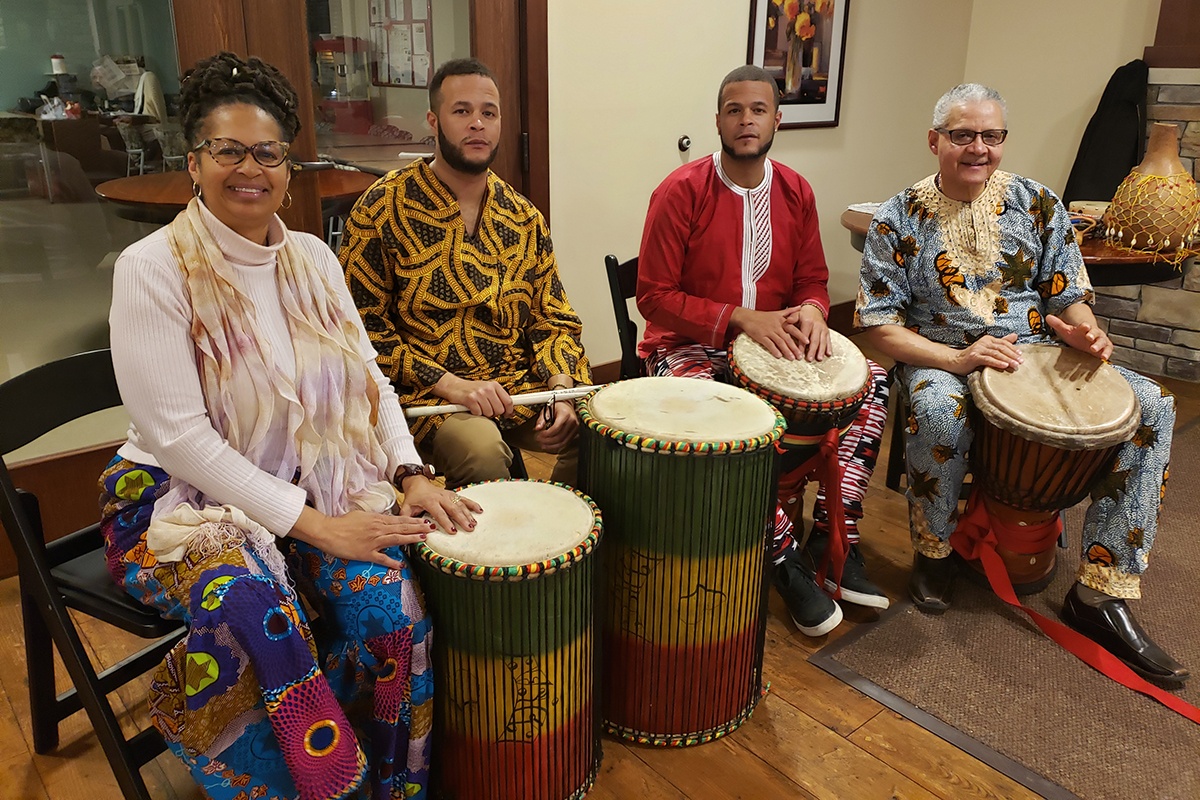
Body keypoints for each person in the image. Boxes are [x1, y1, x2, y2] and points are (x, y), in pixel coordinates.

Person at [100, 52, 480, 800]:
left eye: (267, 152)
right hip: (178, 503)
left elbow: (368, 379)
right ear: (194, 160)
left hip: (312, 478)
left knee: (393, 605)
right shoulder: (152, 269)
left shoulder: (311, 258)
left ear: (287, 163)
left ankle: (398, 788)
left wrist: (408, 471)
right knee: (254, 610)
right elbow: (181, 440)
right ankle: (319, 787)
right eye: (228, 150)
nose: (250, 169)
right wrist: (316, 527)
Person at [856, 83, 1187, 686]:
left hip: (1036, 350)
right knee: (937, 413)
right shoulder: (896, 216)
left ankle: (1101, 592)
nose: (978, 147)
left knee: (1155, 404)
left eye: (991, 135)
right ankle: (934, 554)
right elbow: (879, 326)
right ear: (935, 141)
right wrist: (955, 361)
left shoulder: (1037, 203)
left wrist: (1086, 333)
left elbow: (1070, 294)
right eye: (962, 135)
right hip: (942, 352)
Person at [637, 65, 891, 638]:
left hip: (774, 345)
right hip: (687, 346)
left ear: (777, 119)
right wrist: (739, 320)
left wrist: (813, 312)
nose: (746, 120)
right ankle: (784, 560)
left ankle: (836, 541)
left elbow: (814, 280)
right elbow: (652, 297)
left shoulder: (796, 190)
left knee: (872, 382)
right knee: (730, 421)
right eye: (734, 109)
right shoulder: (680, 192)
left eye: (757, 110)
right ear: (718, 121)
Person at [339, 58, 590, 489]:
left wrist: (559, 390)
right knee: (483, 451)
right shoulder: (382, 207)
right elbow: (359, 331)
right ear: (434, 122)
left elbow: (553, 318)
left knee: (598, 436)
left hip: (518, 386)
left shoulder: (523, 216)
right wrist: (452, 385)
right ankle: (495, 551)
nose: (477, 123)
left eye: (488, 113)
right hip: (430, 395)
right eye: (462, 111)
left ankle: (555, 543)